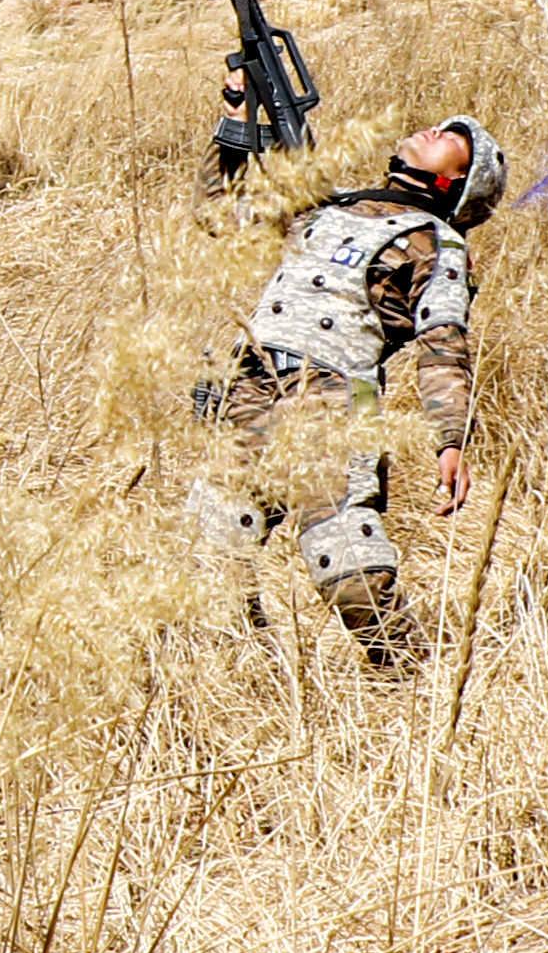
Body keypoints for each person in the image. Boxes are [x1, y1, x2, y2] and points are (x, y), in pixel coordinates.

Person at [190, 116, 505, 671]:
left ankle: (413, 682)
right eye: (440, 126)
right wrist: (234, 127)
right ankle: (243, 685)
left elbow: (443, 341)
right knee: (211, 546)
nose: (434, 131)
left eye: (452, 141)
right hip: (248, 383)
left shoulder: (437, 242)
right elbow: (221, 214)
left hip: (335, 394)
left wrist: (450, 438)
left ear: (455, 184)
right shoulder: (328, 206)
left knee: (344, 556)